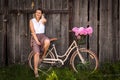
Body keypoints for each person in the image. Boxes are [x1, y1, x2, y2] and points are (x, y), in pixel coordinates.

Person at [29, 8, 50, 78]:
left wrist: (42, 16)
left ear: (41, 14)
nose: (38, 14)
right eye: (37, 12)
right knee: (37, 53)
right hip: (35, 36)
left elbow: (44, 20)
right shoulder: (31, 21)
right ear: (35, 13)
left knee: (47, 41)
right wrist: (37, 41)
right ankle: (35, 70)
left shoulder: (42, 20)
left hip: (42, 35)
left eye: (39, 13)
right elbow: (32, 32)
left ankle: (43, 55)